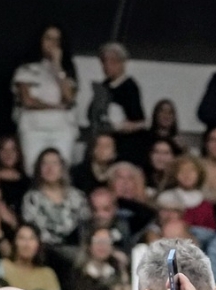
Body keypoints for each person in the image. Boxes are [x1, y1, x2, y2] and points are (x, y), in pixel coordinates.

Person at [12, 25, 78, 174]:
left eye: (57, 40)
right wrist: (55, 107)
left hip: (62, 129)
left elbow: (68, 98)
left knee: (60, 171)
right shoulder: (26, 69)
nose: (52, 43)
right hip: (34, 128)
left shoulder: (66, 70)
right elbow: (27, 101)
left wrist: (57, 67)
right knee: (33, 170)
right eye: (48, 38)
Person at [86, 43, 147, 165]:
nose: (107, 65)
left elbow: (136, 118)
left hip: (124, 145)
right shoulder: (103, 87)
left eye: (113, 61)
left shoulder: (130, 87)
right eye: (104, 61)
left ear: (122, 63)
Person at [21, 148, 89, 252]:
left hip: (74, 250)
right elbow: (31, 230)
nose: (50, 168)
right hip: (43, 251)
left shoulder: (77, 196)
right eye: (45, 164)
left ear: (62, 168)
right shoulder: (31, 198)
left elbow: (86, 226)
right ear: (39, 169)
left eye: (54, 163)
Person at [0, 222, 60, 290]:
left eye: (32, 239)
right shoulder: (2, 267)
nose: (27, 244)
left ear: (38, 245)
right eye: (22, 238)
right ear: (14, 242)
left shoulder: (47, 274)